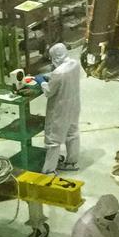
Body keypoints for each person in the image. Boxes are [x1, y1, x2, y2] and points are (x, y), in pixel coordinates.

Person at [36, 43, 81, 174]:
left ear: (55, 56)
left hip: (59, 110)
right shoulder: (75, 63)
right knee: (72, 133)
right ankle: (71, 163)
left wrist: (42, 81)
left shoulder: (58, 73)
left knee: (53, 140)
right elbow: (64, 77)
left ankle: (49, 171)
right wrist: (51, 75)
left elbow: (49, 92)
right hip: (73, 105)